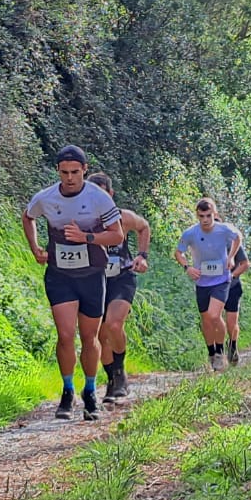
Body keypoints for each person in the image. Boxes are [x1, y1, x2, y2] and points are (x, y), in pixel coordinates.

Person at [22, 146, 125, 422]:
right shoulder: (45, 197)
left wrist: (87, 238)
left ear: (85, 171)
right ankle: (67, 391)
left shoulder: (98, 198)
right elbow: (28, 216)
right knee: (66, 335)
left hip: (91, 274)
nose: (70, 178)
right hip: (60, 275)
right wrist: (35, 248)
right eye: (65, 173)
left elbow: (117, 236)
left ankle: (90, 391)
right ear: (58, 171)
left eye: (75, 173)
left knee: (89, 337)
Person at [87, 172, 150, 401]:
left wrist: (142, 256)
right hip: (94, 280)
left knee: (114, 325)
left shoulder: (123, 217)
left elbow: (144, 227)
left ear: (111, 194)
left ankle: (120, 371)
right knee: (100, 335)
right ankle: (112, 380)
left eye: (103, 194)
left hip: (122, 277)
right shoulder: (83, 220)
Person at [175, 200, 242, 372]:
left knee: (214, 316)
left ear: (214, 214)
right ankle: (211, 352)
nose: (205, 219)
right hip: (202, 281)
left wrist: (232, 256)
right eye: (201, 216)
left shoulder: (224, 229)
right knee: (206, 320)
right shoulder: (190, 233)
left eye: (209, 216)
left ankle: (220, 352)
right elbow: (178, 252)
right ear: (197, 215)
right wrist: (187, 267)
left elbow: (238, 237)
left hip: (221, 280)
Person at [224, 239, 251, 367]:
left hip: (232, 287)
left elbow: (245, 264)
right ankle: (216, 351)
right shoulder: (203, 241)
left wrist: (232, 276)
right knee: (213, 318)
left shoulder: (233, 243)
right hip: (210, 287)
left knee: (231, 322)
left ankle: (233, 345)